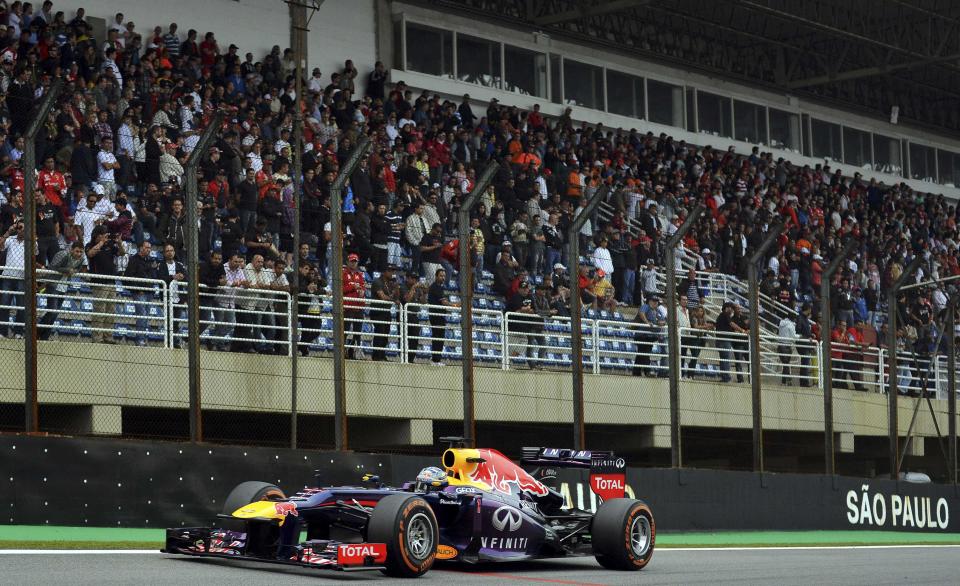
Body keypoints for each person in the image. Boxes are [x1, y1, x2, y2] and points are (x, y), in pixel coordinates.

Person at [84, 225, 124, 343]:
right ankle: (97, 338)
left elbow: (122, 253)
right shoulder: (89, 245)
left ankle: (108, 336)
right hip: (99, 283)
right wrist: (101, 243)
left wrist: (120, 243)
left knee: (110, 312)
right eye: (103, 234)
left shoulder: (110, 245)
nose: (106, 236)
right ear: (97, 235)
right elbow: (90, 254)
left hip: (111, 282)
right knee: (99, 311)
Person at [427, 268, 458, 365]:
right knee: (437, 337)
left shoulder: (440, 287)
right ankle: (435, 360)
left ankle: (437, 359)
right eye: (441, 276)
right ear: (436, 276)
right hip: (436, 316)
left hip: (440, 316)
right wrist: (457, 305)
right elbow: (444, 302)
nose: (443, 278)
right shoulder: (436, 287)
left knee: (440, 337)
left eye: (444, 276)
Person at [370, 265, 401, 361]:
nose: (392, 273)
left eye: (393, 271)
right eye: (390, 271)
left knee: (385, 333)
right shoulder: (377, 281)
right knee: (380, 332)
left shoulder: (390, 283)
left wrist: (396, 289)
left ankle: (382, 354)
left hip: (386, 311)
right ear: (384, 272)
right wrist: (393, 300)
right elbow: (382, 296)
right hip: (378, 311)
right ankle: (376, 356)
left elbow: (394, 297)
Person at [632, 295, 664, 377]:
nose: (655, 303)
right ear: (649, 301)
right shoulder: (645, 306)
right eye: (653, 301)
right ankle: (647, 371)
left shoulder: (656, 310)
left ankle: (636, 372)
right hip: (642, 334)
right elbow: (641, 313)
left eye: (656, 301)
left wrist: (660, 322)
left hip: (650, 336)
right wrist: (647, 323)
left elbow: (662, 320)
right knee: (644, 353)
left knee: (642, 353)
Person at [342, 252, 366, 359]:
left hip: (358, 306)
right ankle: (342, 351)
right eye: (351, 261)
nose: (353, 263)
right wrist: (353, 287)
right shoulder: (342, 273)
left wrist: (362, 293)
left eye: (355, 261)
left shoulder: (360, 275)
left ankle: (354, 351)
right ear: (347, 262)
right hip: (347, 307)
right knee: (345, 330)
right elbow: (340, 289)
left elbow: (363, 288)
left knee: (357, 331)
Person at [795, 303, 814, 386]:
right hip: (803, 343)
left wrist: (810, 335)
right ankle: (804, 382)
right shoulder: (800, 318)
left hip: (806, 342)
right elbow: (798, 330)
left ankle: (804, 381)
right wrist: (807, 336)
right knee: (805, 363)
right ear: (808, 309)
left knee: (805, 363)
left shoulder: (804, 318)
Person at [777, 311, 798, 386]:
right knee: (786, 364)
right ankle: (786, 381)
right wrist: (801, 336)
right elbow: (793, 336)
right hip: (786, 346)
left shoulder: (781, 322)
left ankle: (786, 381)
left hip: (780, 345)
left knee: (785, 364)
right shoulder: (791, 325)